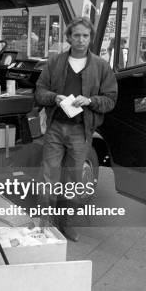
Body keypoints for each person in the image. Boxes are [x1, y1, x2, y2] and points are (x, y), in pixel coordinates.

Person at [35, 17, 117, 242]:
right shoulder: (55, 62)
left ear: (90, 38)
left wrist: (90, 101)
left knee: (72, 179)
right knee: (48, 176)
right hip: (55, 128)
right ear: (69, 37)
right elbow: (39, 91)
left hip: (81, 131)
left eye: (85, 36)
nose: (81, 40)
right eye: (76, 35)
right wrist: (54, 97)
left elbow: (111, 100)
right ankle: (45, 224)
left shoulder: (101, 66)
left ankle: (67, 225)